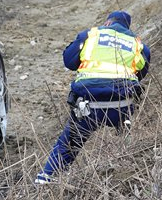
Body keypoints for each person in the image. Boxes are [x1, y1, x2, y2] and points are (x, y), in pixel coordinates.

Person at [35, 11, 151, 184]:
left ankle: (47, 178)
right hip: (121, 106)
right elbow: (140, 74)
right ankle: (130, 162)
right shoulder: (138, 45)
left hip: (89, 106)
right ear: (127, 27)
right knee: (127, 133)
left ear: (108, 22)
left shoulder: (90, 35)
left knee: (69, 143)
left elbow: (69, 61)